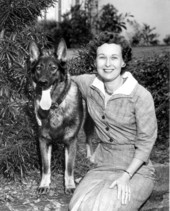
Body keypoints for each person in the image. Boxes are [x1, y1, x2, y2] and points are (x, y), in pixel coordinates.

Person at [69, 31, 157, 211]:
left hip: (136, 169)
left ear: (123, 62)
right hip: (102, 166)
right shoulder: (89, 84)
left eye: (114, 58)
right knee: (77, 206)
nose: (108, 64)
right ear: (95, 61)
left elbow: (146, 143)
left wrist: (126, 175)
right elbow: (62, 80)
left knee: (105, 207)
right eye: (102, 57)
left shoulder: (140, 95)